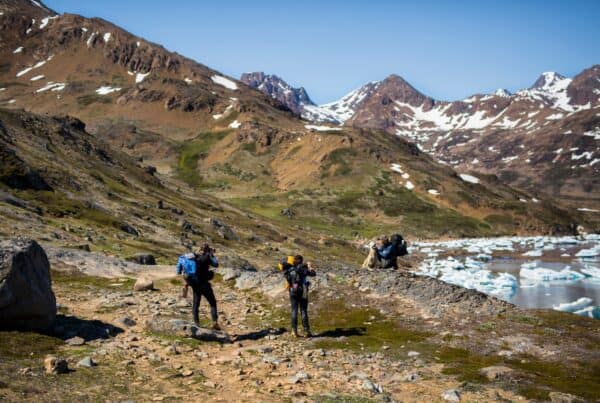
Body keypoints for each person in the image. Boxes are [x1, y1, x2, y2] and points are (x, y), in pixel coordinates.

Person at [177, 243, 221, 330]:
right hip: (204, 284)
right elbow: (216, 264)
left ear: (201, 249)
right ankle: (215, 322)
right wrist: (212, 254)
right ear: (207, 250)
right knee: (212, 302)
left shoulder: (194, 257)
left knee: (196, 304)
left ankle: (197, 323)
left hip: (194, 284)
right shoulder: (208, 256)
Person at [280, 255, 316, 338]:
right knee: (303, 310)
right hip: (302, 290)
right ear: (301, 261)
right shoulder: (303, 268)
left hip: (292, 289)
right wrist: (310, 266)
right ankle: (307, 331)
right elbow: (313, 274)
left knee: (294, 310)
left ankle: (294, 331)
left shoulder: (289, 269)